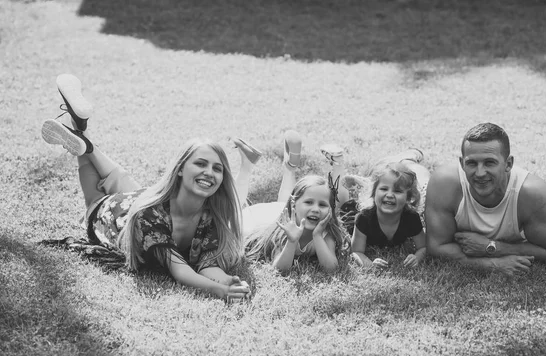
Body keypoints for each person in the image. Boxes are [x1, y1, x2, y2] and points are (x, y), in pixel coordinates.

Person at [41, 74, 255, 302]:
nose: (209, 173)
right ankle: (83, 140)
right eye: (201, 164)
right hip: (115, 211)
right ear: (180, 169)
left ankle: (81, 131)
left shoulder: (210, 217)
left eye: (217, 168)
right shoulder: (148, 216)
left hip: (143, 197)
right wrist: (219, 291)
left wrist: (226, 280)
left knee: (122, 180)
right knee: (93, 194)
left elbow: (207, 265)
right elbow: (180, 271)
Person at [425, 122, 546, 276]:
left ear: (508, 164)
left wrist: (491, 247)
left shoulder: (533, 193)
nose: (480, 173)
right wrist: (492, 264)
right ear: (462, 164)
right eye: (472, 163)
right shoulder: (443, 183)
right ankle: (409, 158)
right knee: (415, 176)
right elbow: (436, 247)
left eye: (489, 162)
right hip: (423, 189)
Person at [244, 132, 348, 274]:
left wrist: (317, 236)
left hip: (291, 209)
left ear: (330, 210)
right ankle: (289, 169)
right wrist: (292, 241)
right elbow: (279, 270)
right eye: (309, 202)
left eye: (322, 205)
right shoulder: (283, 229)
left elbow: (331, 268)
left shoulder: (326, 233)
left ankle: (295, 167)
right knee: (283, 204)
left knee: (289, 200)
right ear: (293, 206)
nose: (316, 209)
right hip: (264, 218)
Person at [350, 160, 427, 268]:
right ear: (373, 193)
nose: (389, 195)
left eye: (397, 191)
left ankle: (410, 159)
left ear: (408, 197)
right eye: (384, 189)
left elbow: (423, 247)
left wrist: (417, 257)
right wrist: (370, 265)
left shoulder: (411, 218)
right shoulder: (364, 218)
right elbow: (356, 252)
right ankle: (359, 183)